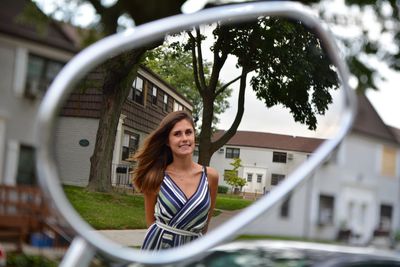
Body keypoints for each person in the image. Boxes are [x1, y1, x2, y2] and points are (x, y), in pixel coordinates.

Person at [133, 110, 219, 250]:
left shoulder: (210, 176)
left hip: (193, 251)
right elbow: (150, 223)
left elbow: (205, 226)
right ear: (167, 141)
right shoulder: (156, 176)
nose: (184, 138)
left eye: (188, 132)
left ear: (194, 136)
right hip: (159, 250)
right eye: (177, 134)